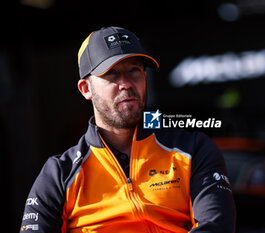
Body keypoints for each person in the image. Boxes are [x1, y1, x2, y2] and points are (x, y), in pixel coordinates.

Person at [20, 26, 236, 233]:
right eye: (112, 74)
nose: (126, 83)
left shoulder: (193, 149)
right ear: (86, 89)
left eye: (134, 71)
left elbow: (216, 226)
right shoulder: (58, 174)